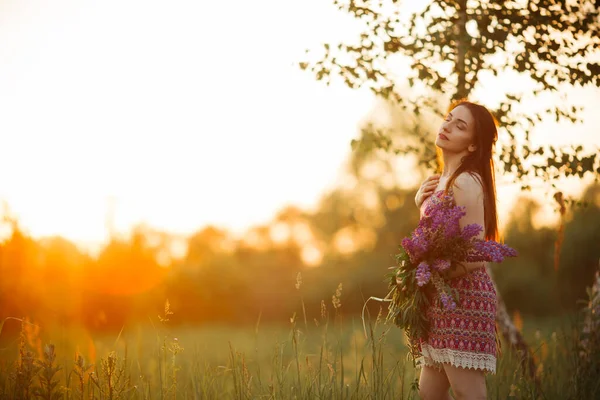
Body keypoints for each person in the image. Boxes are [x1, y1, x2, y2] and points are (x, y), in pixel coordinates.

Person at [403, 100, 501, 400]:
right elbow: (433, 236)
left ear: (472, 146)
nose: (447, 126)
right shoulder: (440, 181)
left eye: (460, 126)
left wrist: (434, 273)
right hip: (440, 299)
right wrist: (421, 204)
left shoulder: (467, 182)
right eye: (448, 119)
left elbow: (479, 252)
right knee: (429, 394)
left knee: (466, 391)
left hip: (464, 298)